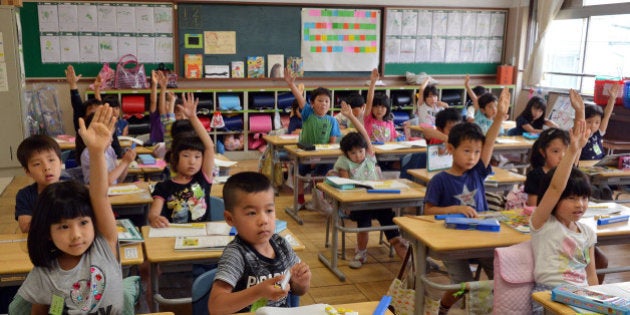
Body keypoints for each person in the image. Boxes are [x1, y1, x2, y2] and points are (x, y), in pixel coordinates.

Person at [15, 105, 124, 313]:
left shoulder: (104, 246)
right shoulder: (47, 272)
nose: (76, 235)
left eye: (83, 223)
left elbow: (99, 195)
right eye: (63, 227)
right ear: (47, 232)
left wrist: (96, 151)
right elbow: (46, 310)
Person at [423, 88, 510, 315]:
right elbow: (427, 211)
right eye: (467, 151)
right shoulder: (440, 180)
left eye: (476, 152)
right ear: (450, 149)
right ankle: (443, 307)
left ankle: (497, 308)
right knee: (463, 283)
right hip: (450, 244)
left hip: (480, 239)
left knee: (503, 272)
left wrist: (499, 116)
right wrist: (456, 209)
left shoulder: (477, 172)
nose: (472, 157)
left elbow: (489, 143)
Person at [208, 172, 311, 314]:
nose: (264, 220)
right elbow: (216, 307)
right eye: (251, 213)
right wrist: (258, 292)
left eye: (269, 210)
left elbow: (298, 291)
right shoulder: (236, 254)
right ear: (230, 218)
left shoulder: (281, 244)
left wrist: (301, 283)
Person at [530, 120, 597, 314]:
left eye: (584, 198)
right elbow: (556, 186)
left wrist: (597, 304)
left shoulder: (588, 233)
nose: (580, 204)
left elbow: (591, 276)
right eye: (572, 198)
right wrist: (572, 151)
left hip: (581, 296)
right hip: (548, 295)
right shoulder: (542, 223)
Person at [334, 101, 408, 268]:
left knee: (391, 224)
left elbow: (365, 135)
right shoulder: (344, 164)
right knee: (364, 224)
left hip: (379, 200)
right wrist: (346, 203)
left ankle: (405, 257)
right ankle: (361, 252)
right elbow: (345, 187)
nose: (358, 155)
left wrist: (351, 116)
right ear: (346, 154)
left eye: (360, 151)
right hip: (359, 205)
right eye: (353, 153)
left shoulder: (369, 156)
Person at [148, 92, 216, 227]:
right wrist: (155, 218)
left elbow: (209, 146)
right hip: (174, 237)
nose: (192, 161)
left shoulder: (203, 178)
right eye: (186, 156)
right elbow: (153, 213)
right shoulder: (164, 187)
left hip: (202, 236)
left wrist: (193, 117)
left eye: (197, 157)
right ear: (174, 158)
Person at [283, 67, 341, 207]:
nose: (323, 104)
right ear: (312, 103)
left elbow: (332, 144)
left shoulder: (332, 121)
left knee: (324, 173)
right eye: (320, 101)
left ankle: (320, 199)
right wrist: (291, 84)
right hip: (305, 155)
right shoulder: (308, 114)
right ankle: (300, 200)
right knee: (298, 172)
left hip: (323, 156)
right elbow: (300, 99)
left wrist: (319, 157)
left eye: (327, 101)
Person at [65, 65, 123, 157]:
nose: (97, 116)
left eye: (99, 113)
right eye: (92, 114)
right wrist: (73, 85)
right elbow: (77, 106)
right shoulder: (82, 128)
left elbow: (118, 154)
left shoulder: (107, 129)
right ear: (84, 117)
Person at [14, 135, 63, 233]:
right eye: (37, 164)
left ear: (61, 163)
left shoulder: (74, 190)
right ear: (28, 171)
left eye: (51, 160)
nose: (46, 167)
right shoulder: (25, 195)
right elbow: (25, 227)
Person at [76, 112, 136, 185]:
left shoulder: (109, 150)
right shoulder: (89, 153)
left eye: (112, 135)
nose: (112, 139)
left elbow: (119, 179)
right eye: (108, 135)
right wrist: (124, 162)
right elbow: (107, 181)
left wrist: (127, 162)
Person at [525, 128, 571, 206]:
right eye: (555, 151)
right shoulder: (535, 176)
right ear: (543, 152)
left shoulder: (571, 173)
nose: (562, 156)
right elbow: (533, 206)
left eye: (567, 151)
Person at [581, 84, 618, 160]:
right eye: (589, 122)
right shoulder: (579, 135)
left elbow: (607, 116)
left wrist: (612, 99)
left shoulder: (598, 133)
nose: (593, 125)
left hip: (600, 164)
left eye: (597, 122)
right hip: (584, 166)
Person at [363, 68, 397, 142]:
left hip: (386, 152)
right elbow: (369, 101)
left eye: (382, 107)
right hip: (372, 152)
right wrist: (373, 83)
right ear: (372, 108)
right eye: (376, 106)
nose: (379, 109)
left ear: (387, 108)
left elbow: (392, 140)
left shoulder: (390, 123)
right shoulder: (369, 119)